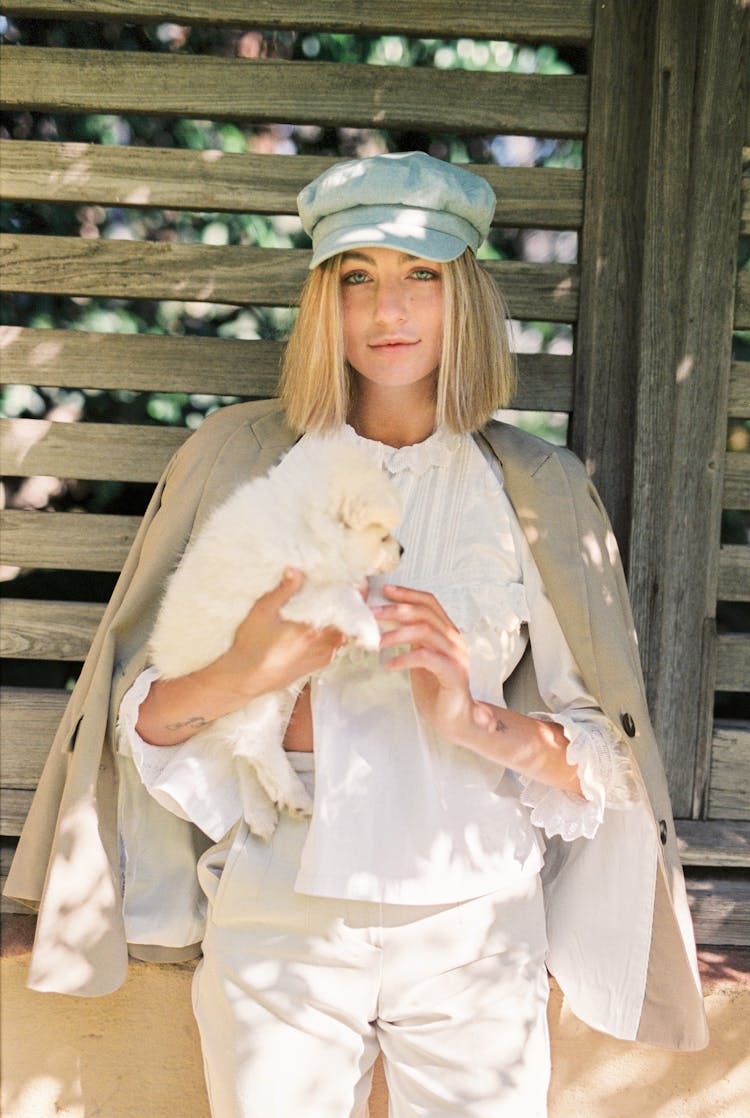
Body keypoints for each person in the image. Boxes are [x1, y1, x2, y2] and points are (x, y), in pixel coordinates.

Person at [5, 152, 708, 1117]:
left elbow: (603, 759)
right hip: (277, 919)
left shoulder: (536, 488)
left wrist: (472, 719)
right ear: (321, 303)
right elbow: (143, 722)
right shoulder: (239, 463)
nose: (390, 311)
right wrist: (250, 672)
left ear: (464, 295)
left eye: (421, 276)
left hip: (478, 934)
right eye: (358, 277)